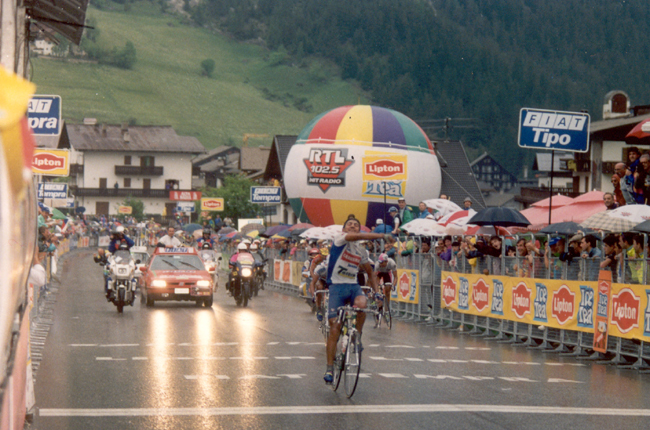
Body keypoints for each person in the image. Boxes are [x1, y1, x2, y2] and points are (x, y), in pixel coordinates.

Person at [323, 216, 394, 385]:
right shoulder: (340, 240)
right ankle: (329, 368)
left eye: (356, 225)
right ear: (344, 229)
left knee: (362, 305)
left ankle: (358, 335)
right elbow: (356, 237)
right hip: (336, 288)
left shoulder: (361, 251)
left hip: (353, 286)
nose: (353, 226)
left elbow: (370, 273)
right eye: (350, 225)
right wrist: (381, 236)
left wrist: (377, 292)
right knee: (335, 327)